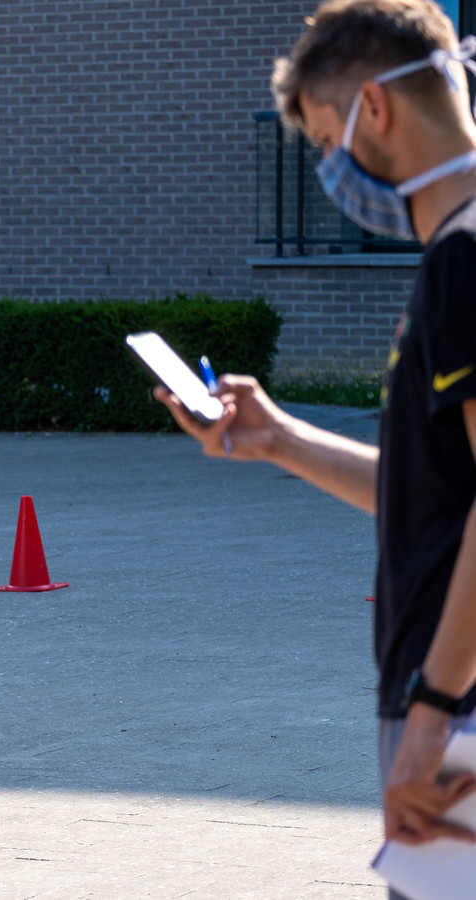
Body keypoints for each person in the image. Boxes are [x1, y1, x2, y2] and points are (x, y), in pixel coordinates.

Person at [158, 0, 476, 888]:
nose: (333, 167)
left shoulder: (462, 261)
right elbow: (444, 495)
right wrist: (281, 440)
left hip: (458, 710)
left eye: (328, 139)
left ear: (374, 108)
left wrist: (432, 713)